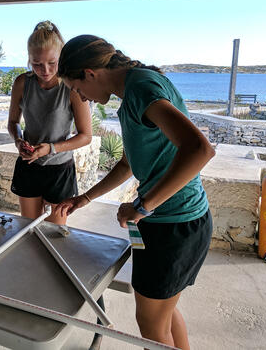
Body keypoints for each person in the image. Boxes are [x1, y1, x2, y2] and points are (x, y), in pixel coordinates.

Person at [56, 35, 215, 349]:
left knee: (152, 327)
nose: (81, 97)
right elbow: (130, 163)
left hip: (173, 226)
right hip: (178, 223)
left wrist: (143, 205)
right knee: (164, 316)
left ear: (90, 73)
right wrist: (84, 198)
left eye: (76, 88)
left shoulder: (141, 89)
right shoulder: (135, 90)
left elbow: (200, 149)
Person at [7, 21, 92, 225]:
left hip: (60, 169)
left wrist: (51, 148)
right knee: (27, 229)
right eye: (37, 64)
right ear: (29, 60)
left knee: (56, 235)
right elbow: (12, 122)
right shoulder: (22, 83)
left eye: (52, 63)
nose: (44, 70)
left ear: (61, 58)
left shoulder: (72, 88)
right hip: (29, 166)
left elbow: (85, 136)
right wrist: (19, 141)